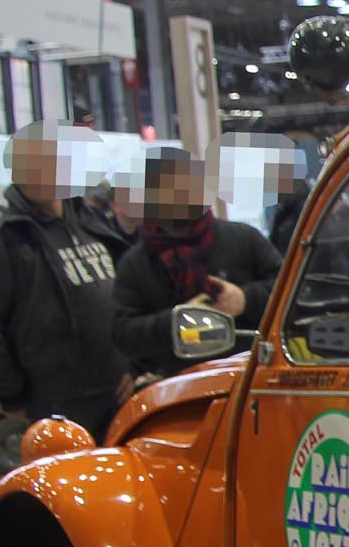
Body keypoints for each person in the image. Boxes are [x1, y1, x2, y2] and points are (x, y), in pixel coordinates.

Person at [0, 121, 135, 441]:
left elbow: (128, 295)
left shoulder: (88, 221)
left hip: (117, 391)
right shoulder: (6, 242)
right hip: (56, 402)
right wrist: (11, 394)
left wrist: (133, 362)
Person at [112, 147, 282, 378]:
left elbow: (290, 292)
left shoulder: (244, 239)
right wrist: (177, 320)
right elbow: (123, 335)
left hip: (249, 378)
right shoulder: (136, 263)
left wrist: (245, 299)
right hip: (174, 388)